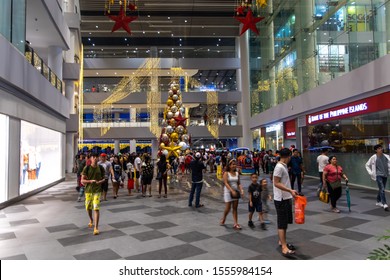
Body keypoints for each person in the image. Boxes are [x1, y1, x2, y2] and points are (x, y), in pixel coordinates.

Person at [273, 148, 298, 257]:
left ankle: (282, 241)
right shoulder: (279, 167)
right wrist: (290, 190)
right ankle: (284, 247)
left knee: (285, 222)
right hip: (281, 199)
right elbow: (276, 183)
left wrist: (290, 193)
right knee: (282, 223)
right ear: (288, 156)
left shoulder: (283, 166)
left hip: (286, 197)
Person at [81, 153, 106, 235]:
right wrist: (90, 181)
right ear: (91, 159)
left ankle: (96, 227)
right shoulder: (87, 168)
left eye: (96, 157)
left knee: (96, 208)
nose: (95, 158)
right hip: (88, 191)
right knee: (88, 208)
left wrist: (100, 182)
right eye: (93, 157)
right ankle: (91, 219)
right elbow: (82, 181)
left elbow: (104, 178)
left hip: (97, 191)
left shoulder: (101, 168)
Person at [220, 159, 244, 230]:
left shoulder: (237, 173)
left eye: (235, 164)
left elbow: (238, 183)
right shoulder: (226, 173)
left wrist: (241, 190)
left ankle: (236, 223)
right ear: (229, 165)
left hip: (235, 191)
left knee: (235, 208)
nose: (234, 166)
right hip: (228, 191)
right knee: (228, 208)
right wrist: (231, 190)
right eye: (232, 164)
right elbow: (226, 183)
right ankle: (224, 217)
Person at [365, 144, 390, 211]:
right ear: (376, 150)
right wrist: (371, 173)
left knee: (381, 188)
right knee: (382, 189)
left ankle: (378, 201)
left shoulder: (386, 156)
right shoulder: (373, 157)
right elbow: (367, 165)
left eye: (381, 148)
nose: (381, 149)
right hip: (378, 175)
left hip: (385, 175)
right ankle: (384, 203)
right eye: (379, 148)